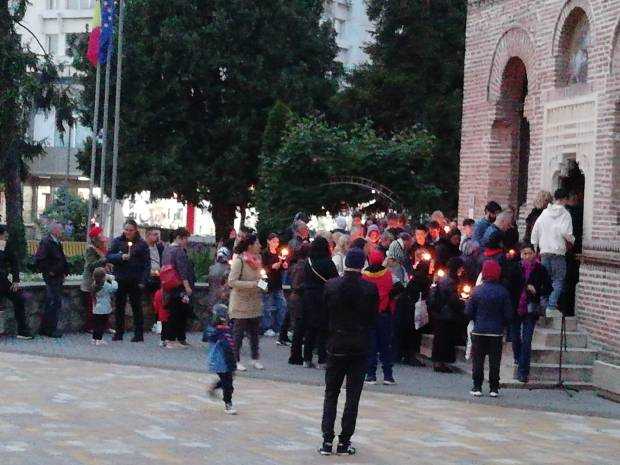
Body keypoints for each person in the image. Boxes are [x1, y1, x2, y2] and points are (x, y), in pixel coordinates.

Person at [318, 248, 378, 456]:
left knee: (331, 393)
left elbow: (324, 315)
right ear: (362, 265)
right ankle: (345, 441)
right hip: (359, 345)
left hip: (336, 342)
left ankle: (327, 440)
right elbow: (373, 318)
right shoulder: (369, 288)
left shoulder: (331, 286)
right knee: (353, 395)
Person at [465, 260, 513, 397]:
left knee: (478, 360)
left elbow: (468, 312)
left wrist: (476, 319)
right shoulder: (503, 292)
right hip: (496, 332)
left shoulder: (477, 291)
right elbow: (508, 314)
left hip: (479, 330)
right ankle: (494, 388)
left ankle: (477, 386)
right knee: (494, 361)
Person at [294, 237, 338, 368]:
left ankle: (307, 359)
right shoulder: (328, 263)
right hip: (323, 296)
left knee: (310, 329)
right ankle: (322, 360)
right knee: (323, 329)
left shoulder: (309, 262)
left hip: (308, 297)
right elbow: (334, 279)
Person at [530, 188, 575, 314]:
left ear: (555, 199)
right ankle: (550, 306)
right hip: (558, 253)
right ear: (565, 199)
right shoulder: (565, 214)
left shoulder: (544, 213)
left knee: (545, 280)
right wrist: (573, 240)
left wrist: (536, 248)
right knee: (558, 280)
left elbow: (535, 232)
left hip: (544, 252)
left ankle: (543, 305)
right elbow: (566, 233)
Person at [106, 219, 149, 342]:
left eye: (131, 230)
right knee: (119, 306)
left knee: (137, 307)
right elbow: (109, 256)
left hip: (135, 279)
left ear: (135, 231)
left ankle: (138, 334)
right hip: (120, 278)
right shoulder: (117, 242)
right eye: (126, 230)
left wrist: (143, 280)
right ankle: (119, 332)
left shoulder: (142, 244)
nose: (128, 232)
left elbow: (146, 264)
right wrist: (120, 256)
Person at [514, 243, 552, 383]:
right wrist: (524, 287)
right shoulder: (516, 268)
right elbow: (511, 285)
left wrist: (538, 291)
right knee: (515, 337)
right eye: (524, 253)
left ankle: (523, 371)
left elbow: (548, 287)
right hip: (516, 308)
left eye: (529, 253)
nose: (527, 256)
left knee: (527, 339)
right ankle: (518, 358)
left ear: (534, 254)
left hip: (531, 308)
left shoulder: (540, 269)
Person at [228, 234, 264, 371]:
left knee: (254, 333)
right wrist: (251, 284)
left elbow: (260, 278)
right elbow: (232, 281)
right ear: (250, 245)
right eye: (257, 243)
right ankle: (235, 360)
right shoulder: (240, 261)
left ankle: (255, 359)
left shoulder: (258, 259)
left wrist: (264, 285)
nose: (260, 246)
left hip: (254, 302)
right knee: (238, 334)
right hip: (241, 303)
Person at [362, 249, 396, 385]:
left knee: (371, 345)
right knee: (385, 345)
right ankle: (388, 375)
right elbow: (398, 287)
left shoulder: (364, 275)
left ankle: (370, 375)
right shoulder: (388, 274)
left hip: (369, 314)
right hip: (384, 313)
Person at [394, 250, 431, 367]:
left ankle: (400, 354)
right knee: (413, 333)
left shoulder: (414, 277)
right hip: (414, 309)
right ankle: (410, 355)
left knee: (403, 332)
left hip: (404, 307)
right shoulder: (424, 280)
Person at [429, 257, 466, 373]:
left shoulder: (444, 279)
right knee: (445, 339)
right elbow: (453, 300)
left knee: (440, 338)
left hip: (440, 313)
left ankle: (438, 361)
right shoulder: (451, 281)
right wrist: (463, 303)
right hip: (447, 314)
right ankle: (441, 362)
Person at [161, 227, 195, 348]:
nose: (187, 241)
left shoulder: (167, 249)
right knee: (178, 313)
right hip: (179, 285)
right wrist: (187, 286)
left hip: (168, 284)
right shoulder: (179, 251)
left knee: (171, 311)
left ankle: (171, 338)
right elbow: (182, 270)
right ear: (179, 238)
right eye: (185, 238)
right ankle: (172, 339)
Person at [35, 221, 69, 338]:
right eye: (60, 229)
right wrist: (51, 271)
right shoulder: (46, 242)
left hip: (58, 275)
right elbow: (40, 259)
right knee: (53, 302)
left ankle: (48, 328)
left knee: (55, 302)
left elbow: (61, 258)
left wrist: (65, 271)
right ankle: (48, 329)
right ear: (54, 230)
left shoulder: (56, 242)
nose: (61, 232)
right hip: (52, 277)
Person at [0, 225, 32, 339]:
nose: (6, 236)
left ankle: (22, 331)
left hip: (3, 281)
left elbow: (14, 262)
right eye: (5, 234)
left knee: (18, 299)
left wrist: (16, 280)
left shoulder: (5, 246)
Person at [206, 303, 238, 415]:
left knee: (229, 379)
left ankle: (214, 388)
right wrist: (218, 328)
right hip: (220, 361)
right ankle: (228, 403)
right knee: (228, 383)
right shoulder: (215, 330)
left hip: (229, 359)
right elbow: (209, 336)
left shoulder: (228, 329)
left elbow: (231, 344)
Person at [80, 226, 109, 333]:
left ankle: (104, 326)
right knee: (92, 306)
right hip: (91, 282)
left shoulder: (103, 248)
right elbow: (90, 266)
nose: (103, 238)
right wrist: (104, 260)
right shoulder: (90, 249)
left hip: (102, 281)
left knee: (104, 304)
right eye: (100, 236)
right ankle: (91, 326)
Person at [261, 233, 288, 337]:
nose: (276, 244)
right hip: (265, 282)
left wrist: (283, 265)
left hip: (277, 282)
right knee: (266, 305)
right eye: (274, 241)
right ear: (268, 241)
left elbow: (281, 267)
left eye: (277, 242)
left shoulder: (278, 253)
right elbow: (261, 268)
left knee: (282, 304)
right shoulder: (264, 253)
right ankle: (266, 327)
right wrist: (272, 266)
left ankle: (279, 327)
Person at [288, 243, 310, 364]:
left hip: (296, 298)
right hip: (298, 299)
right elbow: (296, 284)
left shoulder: (298, 265)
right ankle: (295, 355)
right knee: (299, 328)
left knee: (299, 328)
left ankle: (295, 354)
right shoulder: (302, 266)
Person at [90, 268, 118, 345]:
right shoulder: (105, 285)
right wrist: (113, 280)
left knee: (96, 324)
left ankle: (94, 338)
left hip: (96, 308)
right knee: (102, 324)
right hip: (104, 308)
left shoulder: (94, 284)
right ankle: (99, 339)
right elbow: (115, 288)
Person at [145, 227, 165, 333]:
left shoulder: (159, 247)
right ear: (148, 235)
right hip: (150, 276)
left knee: (159, 300)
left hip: (159, 275)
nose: (157, 237)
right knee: (154, 300)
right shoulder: (144, 248)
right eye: (154, 234)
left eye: (157, 235)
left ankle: (159, 322)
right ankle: (156, 322)